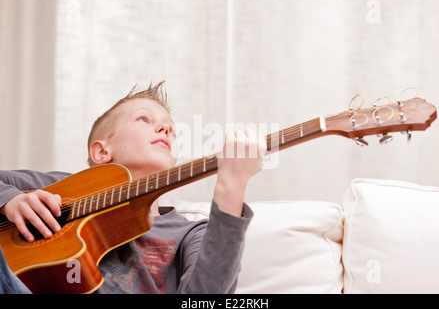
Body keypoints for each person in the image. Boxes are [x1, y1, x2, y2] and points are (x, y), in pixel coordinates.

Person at [0, 81, 267, 293]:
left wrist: (232, 185)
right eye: (144, 120)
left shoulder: (189, 234)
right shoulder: (60, 189)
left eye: (172, 130)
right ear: (102, 151)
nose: (165, 128)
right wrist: (10, 200)